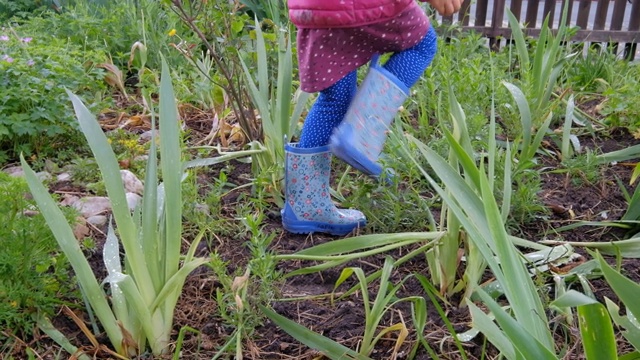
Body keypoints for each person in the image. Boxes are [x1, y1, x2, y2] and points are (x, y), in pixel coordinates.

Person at [282, 0, 462, 236]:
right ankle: (362, 131)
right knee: (422, 43)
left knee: (335, 98)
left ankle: (306, 205)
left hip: (316, 9)